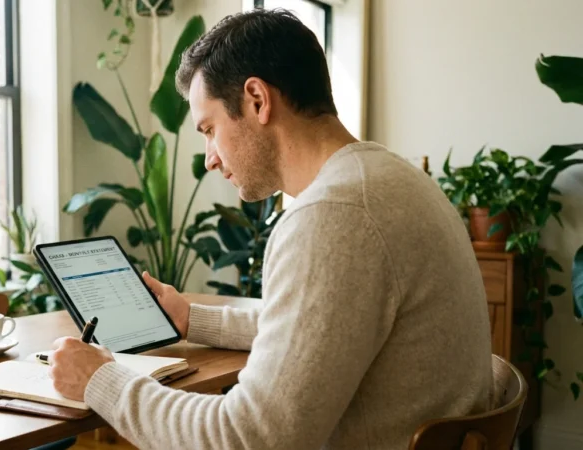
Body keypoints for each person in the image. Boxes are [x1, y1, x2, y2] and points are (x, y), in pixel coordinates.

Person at [46, 8, 493, 449]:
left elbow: (248, 439)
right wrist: (192, 319)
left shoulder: (335, 214)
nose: (210, 157)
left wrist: (100, 380)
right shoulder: (391, 181)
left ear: (257, 100)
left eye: (209, 128)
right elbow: (320, 329)